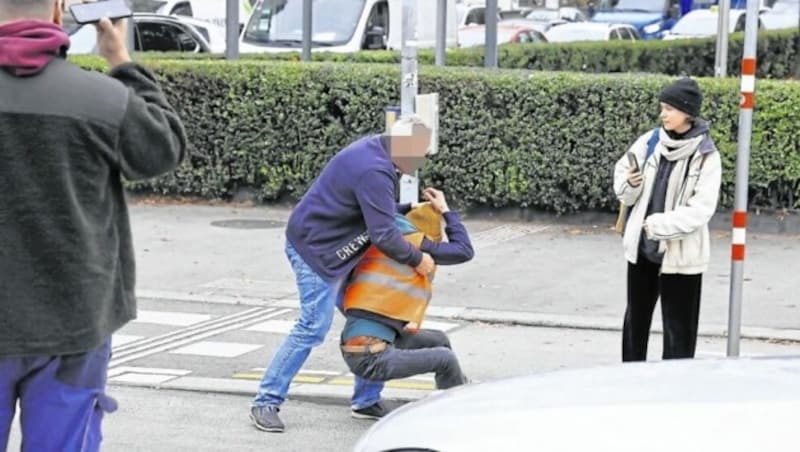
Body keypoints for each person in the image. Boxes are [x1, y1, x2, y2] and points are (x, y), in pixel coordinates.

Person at [0, 1, 188, 450]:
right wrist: (121, 61)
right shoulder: (101, 99)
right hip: (75, 320)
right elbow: (163, 148)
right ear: (58, 11)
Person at [250, 116, 437, 433]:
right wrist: (419, 260)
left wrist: (409, 208)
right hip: (316, 250)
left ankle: (366, 401)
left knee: (371, 318)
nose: (421, 161)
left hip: (338, 247)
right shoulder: (375, 170)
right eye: (420, 153)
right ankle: (265, 401)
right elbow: (384, 235)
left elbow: (378, 209)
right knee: (312, 327)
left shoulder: (378, 152)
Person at [613, 77, 722, 362]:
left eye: (670, 108)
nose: (663, 114)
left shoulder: (705, 154)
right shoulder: (650, 141)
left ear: (687, 112)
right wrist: (632, 184)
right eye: (662, 107)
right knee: (635, 325)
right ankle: (631, 380)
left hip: (681, 257)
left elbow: (702, 209)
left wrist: (658, 225)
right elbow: (623, 184)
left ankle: (675, 392)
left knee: (679, 333)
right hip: (642, 250)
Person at [340, 188, 473, 412]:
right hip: (369, 356)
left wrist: (413, 206)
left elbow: (385, 209)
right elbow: (463, 250)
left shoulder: (383, 233)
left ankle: (458, 388)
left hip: (370, 341)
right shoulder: (411, 244)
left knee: (438, 339)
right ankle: (455, 412)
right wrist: (446, 211)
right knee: (445, 358)